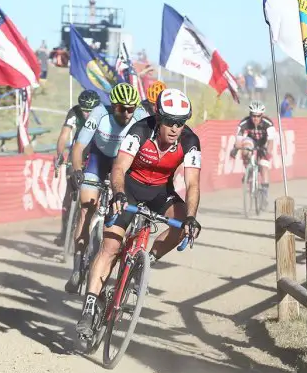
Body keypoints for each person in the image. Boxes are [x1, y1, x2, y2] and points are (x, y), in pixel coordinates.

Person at [76, 88, 202, 338]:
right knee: (110, 247)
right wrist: (119, 194)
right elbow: (119, 168)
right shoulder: (141, 130)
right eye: (170, 122)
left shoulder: (190, 142)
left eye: (181, 122)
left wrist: (190, 217)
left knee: (182, 224)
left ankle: (143, 263)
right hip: (130, 188)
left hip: (159, 192)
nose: (175, 128)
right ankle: (89, 308)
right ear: (159, 118)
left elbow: (193, 184)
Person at [65, 83, 148, 293]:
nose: (127, 113)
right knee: (86, 207)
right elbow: (79, 147)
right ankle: (77, 266)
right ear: (113, 106)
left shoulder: (140, 116)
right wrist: (76, 169)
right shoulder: (99, 113)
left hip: (124, 164)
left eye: (131, 109)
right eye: (122, 109)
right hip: (98, 160)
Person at [53, 90, 102, 244]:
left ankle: (93, 228)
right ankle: (64, 231)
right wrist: (60, 154)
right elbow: (63, 136)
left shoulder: (102, 113)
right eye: (84, 110)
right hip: (77, 152)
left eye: (90, 111)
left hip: (95, 152)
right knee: (69, 191)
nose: (87, 114)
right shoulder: (74, 112)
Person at [229, 101, 276, 198]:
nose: (255, 118)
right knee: (246, 148)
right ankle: (248, 170)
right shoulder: (244, 123)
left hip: (264, 143)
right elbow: (239, 140)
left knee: (264, 166)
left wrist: (268, 152)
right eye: (253, 115)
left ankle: (264, 191)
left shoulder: (268, 123)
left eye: (258, 116)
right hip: (251, 140)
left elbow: (271, 141)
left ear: (262, 115)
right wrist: (235, 149)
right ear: (250, 115)